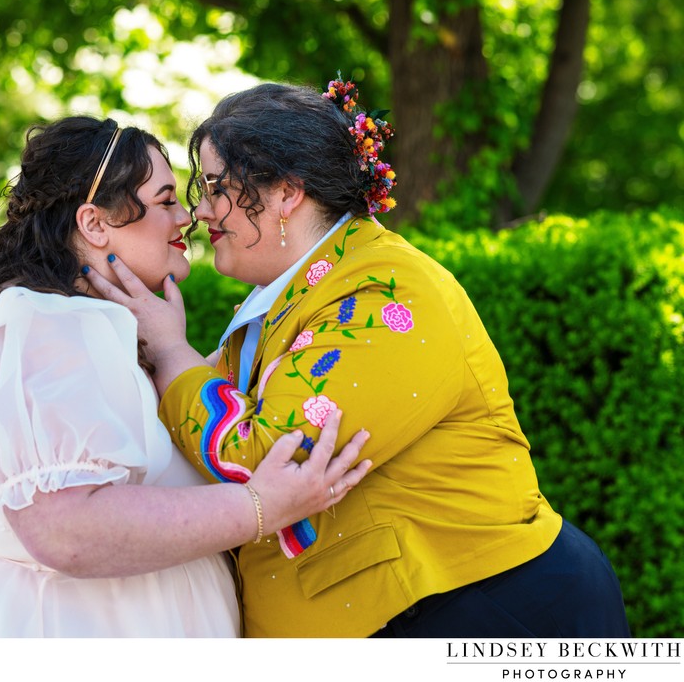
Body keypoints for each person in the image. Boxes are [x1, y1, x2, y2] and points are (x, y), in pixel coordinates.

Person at [85, 79, 630, 637]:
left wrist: (173, 350)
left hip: (485, 607)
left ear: (286, 192)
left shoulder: (388, 292)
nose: (200, 211)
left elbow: (265, 458)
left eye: (216, 186)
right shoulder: (300, 291)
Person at [0, 115, 373, 637]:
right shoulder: (43, 330)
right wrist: (261, 506)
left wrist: (176, 352)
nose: (187, 218)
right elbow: (65, 528)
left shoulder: (79, 330)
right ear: (94, 223)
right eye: (165, 201)